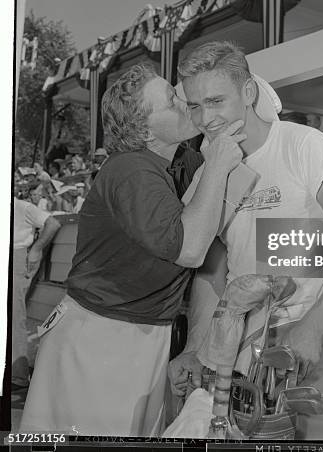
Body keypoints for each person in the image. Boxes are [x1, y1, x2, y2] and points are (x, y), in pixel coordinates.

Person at [171, 42, 323, 440]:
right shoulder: (209, 170)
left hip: (302, 342)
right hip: (233, 352)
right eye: (195, 106)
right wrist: (197, 349)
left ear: (249, 92)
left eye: (216, 101)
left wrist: (313, 328)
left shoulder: (302, 145)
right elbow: (212, 274)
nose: (206, 118)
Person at [20, 64, 246, 436]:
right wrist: (219, 164)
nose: (183, 102)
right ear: (144, 130)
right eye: (171, 101)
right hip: (102, 339)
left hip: (140, 332)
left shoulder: (180, 162)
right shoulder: (130, 169)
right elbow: (190, 250)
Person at [12, 198, 61, 389]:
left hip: (17, 255)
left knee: (14, 316)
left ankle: (18, 376)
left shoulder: (21, 206)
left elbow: (53, 222)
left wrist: (36, 248)